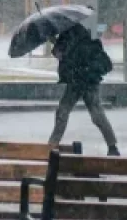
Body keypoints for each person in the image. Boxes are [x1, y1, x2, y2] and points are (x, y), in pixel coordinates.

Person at [48, 24, 120, 155]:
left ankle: (52, 145)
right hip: (88, 81)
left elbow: (64, 56)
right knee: (96, 114)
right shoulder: (81, 36)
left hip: (80, 82)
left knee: (63, 112)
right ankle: (112, 146)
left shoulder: (69, 36)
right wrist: (55, 42)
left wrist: (57, 44)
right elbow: (64, 54)